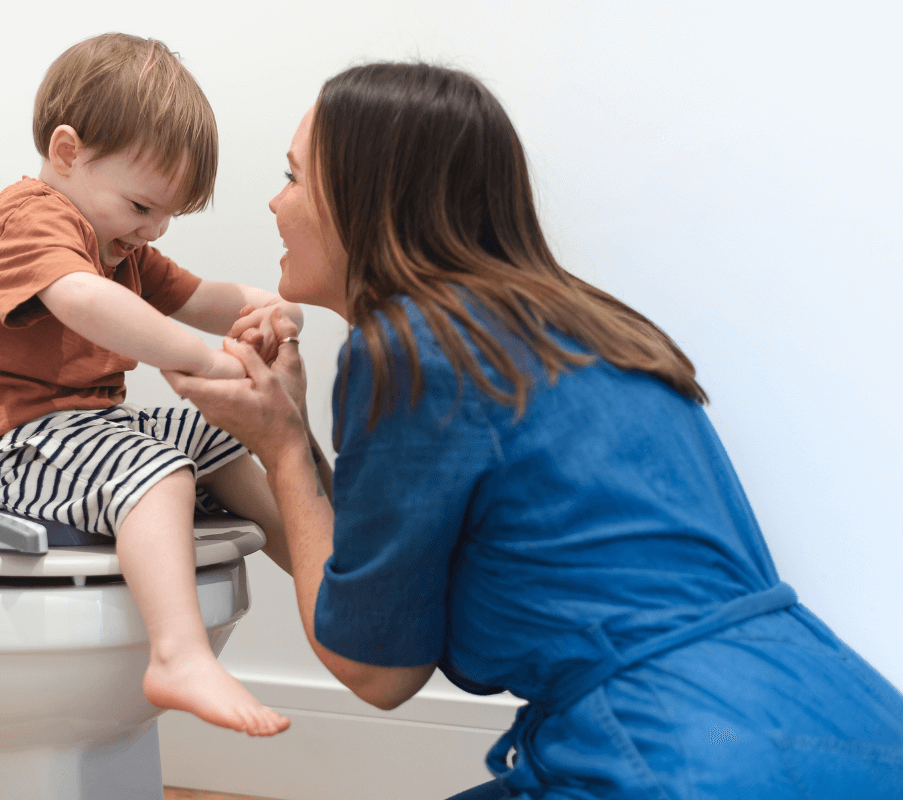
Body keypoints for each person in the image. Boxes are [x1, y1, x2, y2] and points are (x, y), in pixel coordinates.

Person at [171, 63, 903, 796]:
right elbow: (376, 588)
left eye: (293, 176)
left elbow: (375, 669)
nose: (274, 201)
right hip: (844, 720)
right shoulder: (584, 323)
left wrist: (283, 450)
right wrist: (290, 426)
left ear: (367, 196)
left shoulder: (410, 346)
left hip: (680, 756)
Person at [0, 32, 296, 737]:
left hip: (73, 434)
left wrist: (267, 305)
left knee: (220, 425)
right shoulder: (27, 218)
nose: (152, 232)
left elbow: (197, 294)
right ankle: (177, 654)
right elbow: (85, 302)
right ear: (68, 153)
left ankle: (318, 576)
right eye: (143, 208)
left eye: (167, 218)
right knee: (155, 470)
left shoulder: (117, 238)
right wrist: (205, 358)